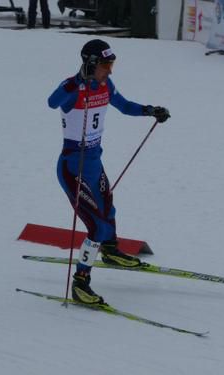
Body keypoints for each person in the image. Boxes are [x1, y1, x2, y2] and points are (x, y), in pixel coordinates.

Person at [48, 39, 170, 304]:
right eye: (106, 65)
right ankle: (80, 283)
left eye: (111, 64)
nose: (110, 71)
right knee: (96, 225)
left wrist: (150, 111)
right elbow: (51, 101)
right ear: (91, 64)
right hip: (73, 167)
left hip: (94, 162)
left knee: (109, 208)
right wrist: (77, 80)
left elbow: (124, 106)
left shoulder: (105, 84)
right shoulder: (72, 88)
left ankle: (111, 251)